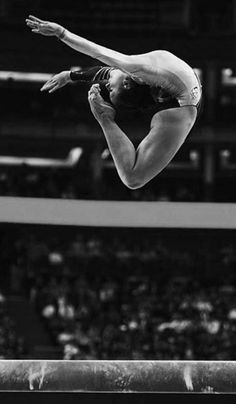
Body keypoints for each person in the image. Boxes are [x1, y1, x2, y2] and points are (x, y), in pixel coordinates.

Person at [26, 15, 202, 190]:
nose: (106, 84)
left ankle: (105, 120)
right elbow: (98, 52)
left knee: (132, 179)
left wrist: (70, 76)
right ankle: (107, 119)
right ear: (126, 83)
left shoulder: (136, 74)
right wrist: (62, 33)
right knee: (133, 178)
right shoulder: (136, 68)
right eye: (111, 90)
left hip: (182, 98)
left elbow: (105, 73)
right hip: (185, 101)